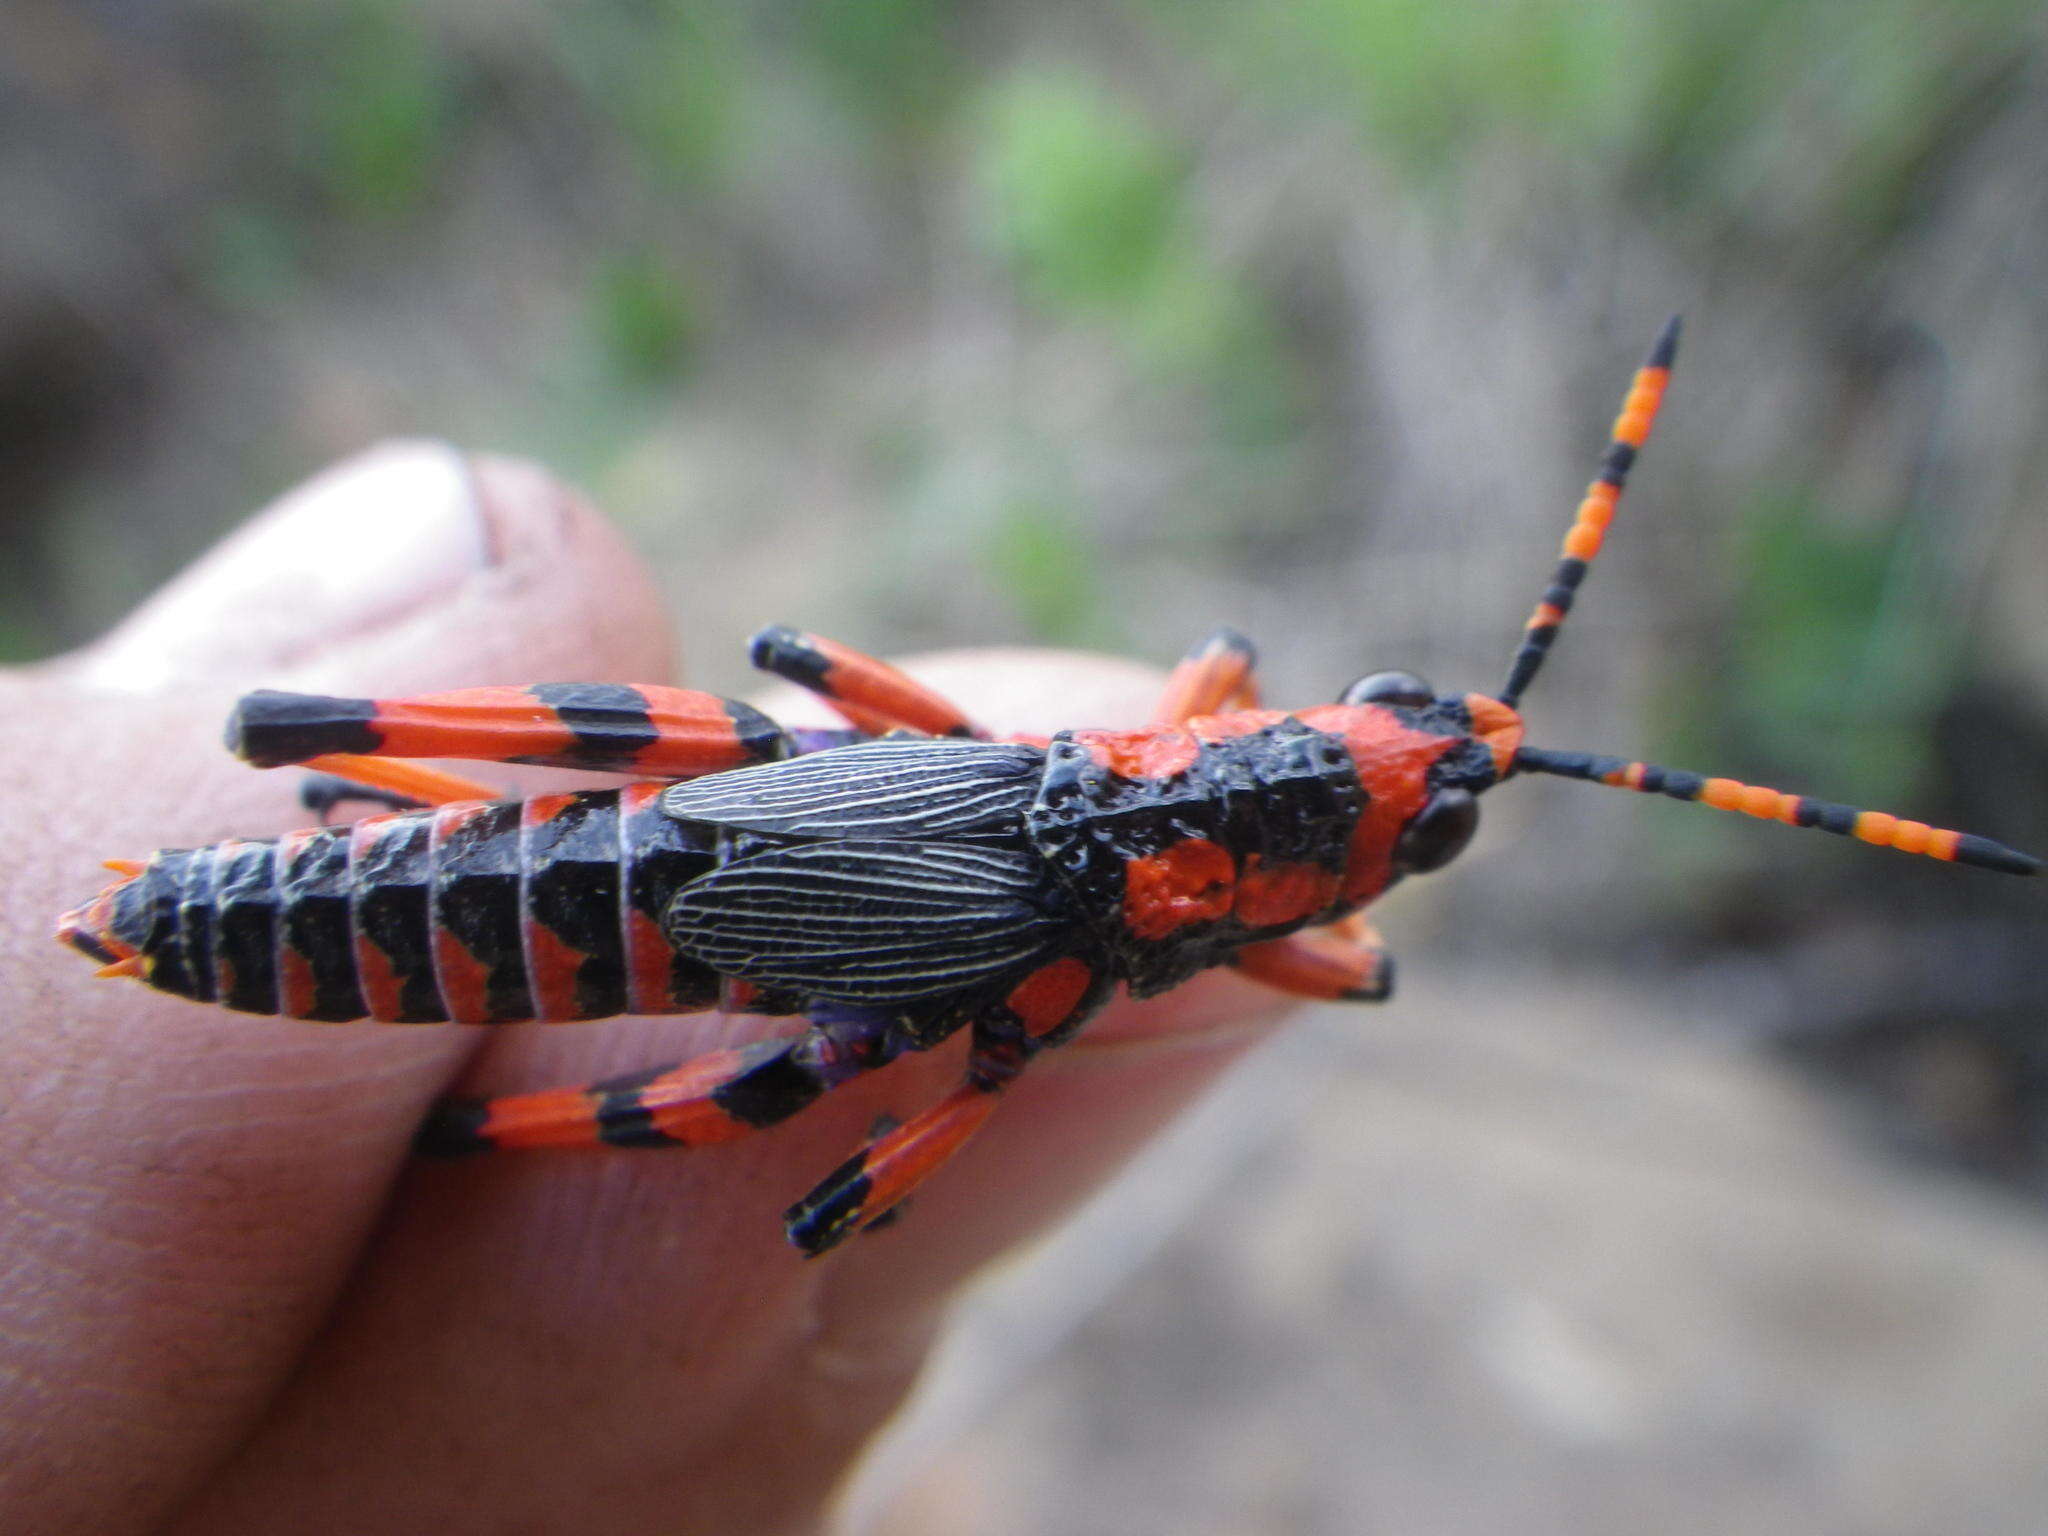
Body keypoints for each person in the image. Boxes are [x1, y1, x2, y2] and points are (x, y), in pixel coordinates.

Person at [0, 442, 1290, 1534]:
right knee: (724, 796)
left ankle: (367, 856)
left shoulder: (1081, 829)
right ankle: (343, 755)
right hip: (657, 862)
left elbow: (820, 664)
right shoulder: (1087, 950)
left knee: (729, 832)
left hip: (692, 863)